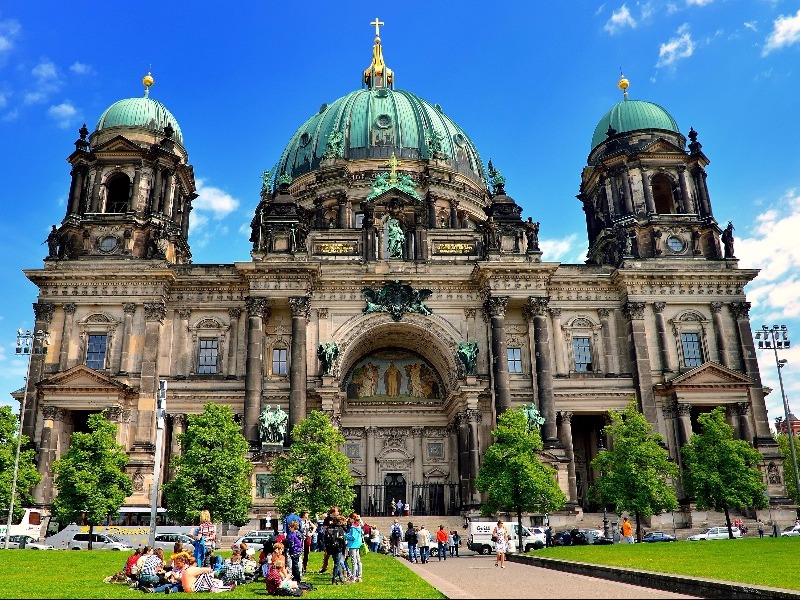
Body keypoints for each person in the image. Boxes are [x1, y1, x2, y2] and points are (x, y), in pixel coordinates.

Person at [318, 506, 339, 574]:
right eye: (336, 511)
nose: (338, 513)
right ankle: (324, 567)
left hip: (336, 538)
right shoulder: (327, 519)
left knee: (336, 556)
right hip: (328, 538)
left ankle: (337, 570)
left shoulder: (338, 518)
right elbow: (324, 528)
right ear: (333, 512)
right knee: (327, 554)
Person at [344, 513, 363, 583]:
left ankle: (353, 577)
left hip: (352, 546)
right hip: (358, 545)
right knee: (358, 561)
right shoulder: (358, 526)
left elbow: (353, 537)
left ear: (352, 519)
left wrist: (345, 535)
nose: (349, 519)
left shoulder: (353, 527)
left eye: (350, 518)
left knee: (354, 562)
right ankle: (359, 576)